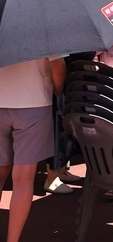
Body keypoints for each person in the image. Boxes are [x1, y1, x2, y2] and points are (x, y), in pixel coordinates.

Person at [0, 56, 66, 242]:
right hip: (34, 101)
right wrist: (57, 90)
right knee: (23, 178)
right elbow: (58, 69)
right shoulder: (45, 35)